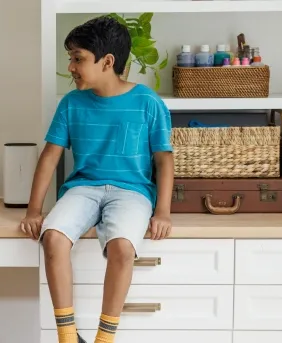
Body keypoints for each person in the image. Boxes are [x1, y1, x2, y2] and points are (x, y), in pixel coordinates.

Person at [19, 16, 174, 343]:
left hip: (132, 193)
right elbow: (50, 157)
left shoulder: (148, 103)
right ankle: (67, 335)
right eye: (70, 58)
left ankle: (105, 337)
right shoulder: (71, 103)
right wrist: (34, 211)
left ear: (107, 62)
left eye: (78, 58)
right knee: (54, 238)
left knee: (122, 248)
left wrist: (162, 212)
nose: (71, 66)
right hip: (83, 188)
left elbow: (164, 160)